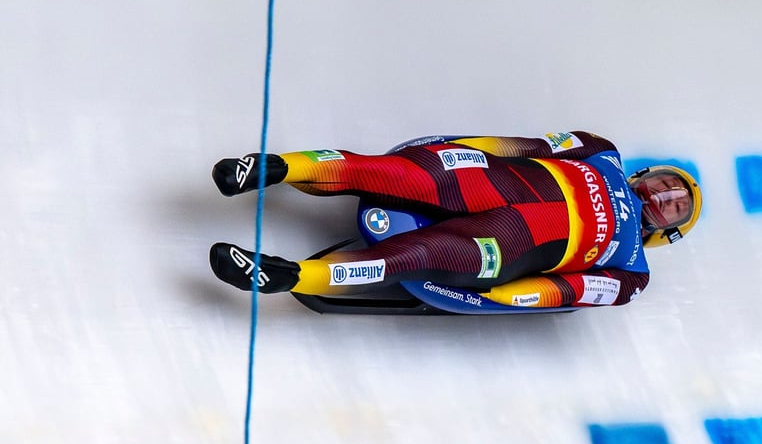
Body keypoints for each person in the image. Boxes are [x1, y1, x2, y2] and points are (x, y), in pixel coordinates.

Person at [210, 131, 701, 308]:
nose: (666, 195)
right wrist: (469, 150)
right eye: (668, 183)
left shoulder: (633, 272)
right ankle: (275, 166)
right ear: (649, 174)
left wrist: (513, 297)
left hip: (510, 244)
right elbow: (526, 147)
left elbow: (573, 292)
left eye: (677, 203)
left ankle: (289, 276)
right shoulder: (601, 151)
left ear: (667, 229)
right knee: (396, 174)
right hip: (491, 179)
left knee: (416, 256)